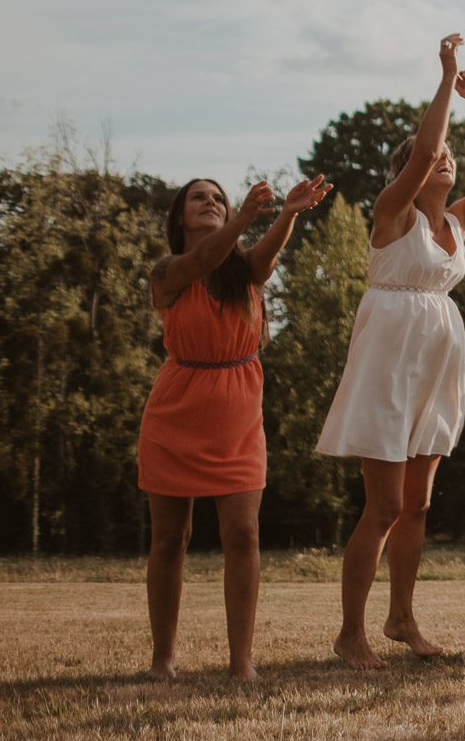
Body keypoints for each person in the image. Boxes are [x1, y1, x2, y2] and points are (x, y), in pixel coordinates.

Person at [317, 34, 465, 667]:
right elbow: (430, 144)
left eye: (449, 158)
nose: (445, 159)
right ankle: (350, 633)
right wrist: (446, 79)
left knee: (418, 502)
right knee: (381, 505)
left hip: (436, 360)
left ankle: (401, 619)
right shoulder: (392, 212)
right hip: (389, 358)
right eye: (433, 157)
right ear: (408, 170)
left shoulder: (457, 221)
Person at [140, 173, 329, 680]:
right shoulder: (167, 272)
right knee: (169, 539)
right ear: (180, 215)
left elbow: (263, 259)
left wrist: (287, 213)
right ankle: (163, 659)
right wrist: (244, 216)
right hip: (176, 408)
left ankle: (241, 660)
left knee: (243, 534)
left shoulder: (242, 271)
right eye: (199, 197)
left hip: (238, 409)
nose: (210, 202)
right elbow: (201, 261)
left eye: (218, 198)